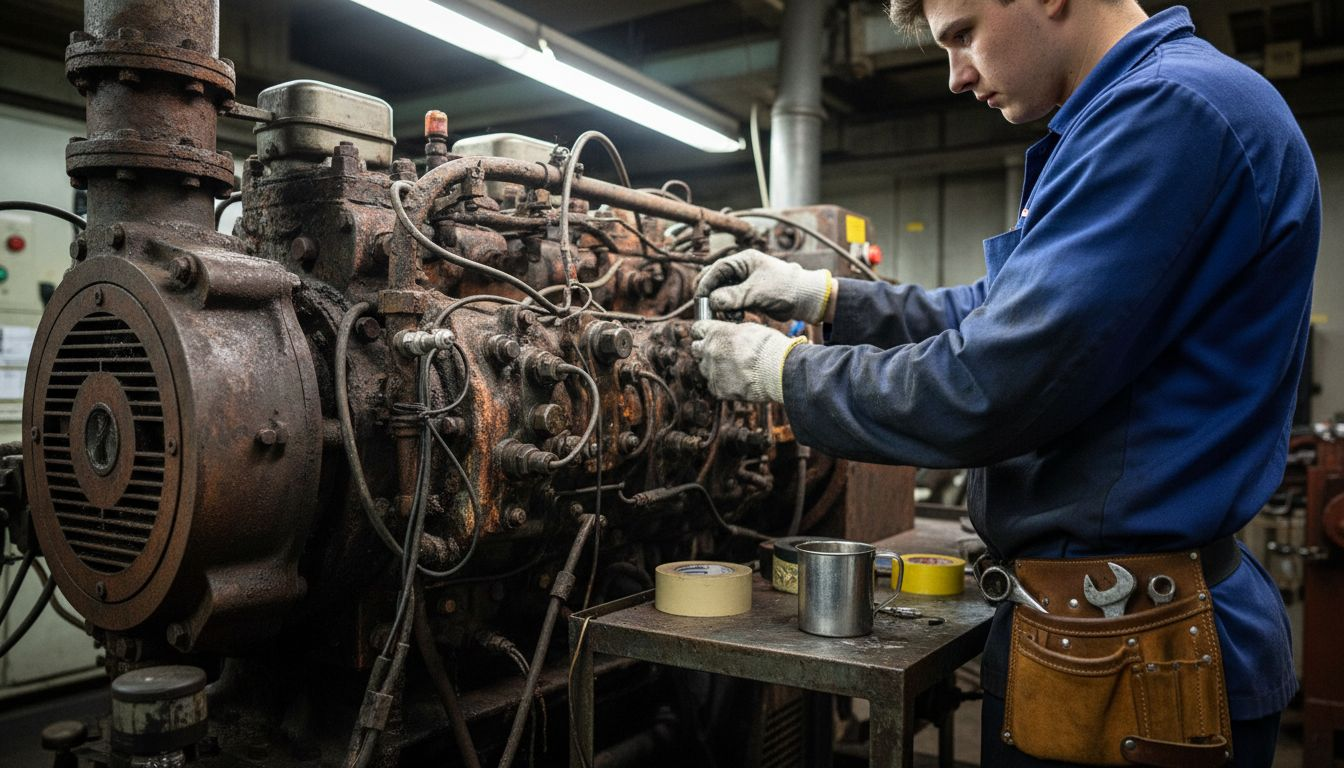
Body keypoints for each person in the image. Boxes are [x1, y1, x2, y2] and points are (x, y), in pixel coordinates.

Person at [690, 0, 1320, 764]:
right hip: (1100, 636)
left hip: (1128, 653)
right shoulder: (1132, 115)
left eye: (963, 35)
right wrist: (827, 297)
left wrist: (782, 372)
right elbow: (996, 315)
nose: (956, 76)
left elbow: (988, 383)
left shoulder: (1166, 114)